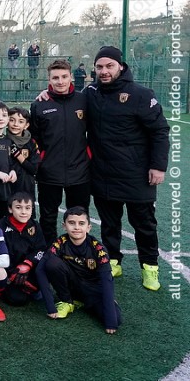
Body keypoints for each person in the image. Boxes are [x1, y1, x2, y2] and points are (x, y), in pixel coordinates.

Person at [85, 46, 169, 291]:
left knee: (144, 224)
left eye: (109, 66)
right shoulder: (90, 93)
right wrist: (45, 94)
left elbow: (160, 132)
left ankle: (149, 267)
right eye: (99, 67)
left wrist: (158, 166)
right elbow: (68, 102)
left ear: (121, 67)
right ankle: (113, 261)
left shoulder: (141, 94)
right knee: (109, 223)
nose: (104, 71)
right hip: (103, 172)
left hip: (136, 173)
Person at [30, 59, 91, 243]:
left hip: (80, 171)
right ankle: (50, 251)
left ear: (71, 77)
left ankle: (77, 251)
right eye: (55, 78)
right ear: (49, 80)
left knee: (78, 216)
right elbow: (34, 139)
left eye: (64, 76)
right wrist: (41, 162)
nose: (60, 81)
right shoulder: (39, 104)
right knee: (48, 217)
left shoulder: (83, 100)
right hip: (49, 171)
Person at [37, 207, 122, 334]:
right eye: (72, 223)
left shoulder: (98, 248)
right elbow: (40, 269)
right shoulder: (60, 242)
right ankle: (67, 301)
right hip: (72, 287)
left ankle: (87, 303)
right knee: (52, 263)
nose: (76, 227)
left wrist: (110, 321)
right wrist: (50, 307)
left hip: (93, 290)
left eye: (81, 223)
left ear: (88, 227)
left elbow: (107, 280)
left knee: (116, 319)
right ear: (64, 226)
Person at [0, 192, 46, 306]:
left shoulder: (35, 226)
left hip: (28, 268)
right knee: (18, 300)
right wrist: (12, 272)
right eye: (18, 207)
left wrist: (28, 264)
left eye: (27, 208)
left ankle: (30, 286)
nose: (23, 212)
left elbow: (41, 249)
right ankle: (11, 287)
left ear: (32, 209)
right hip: (9, 272)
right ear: (10, 209)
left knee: (49, 267)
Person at [7, 107, 40, 199]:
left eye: (21, 121)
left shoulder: (31, 143)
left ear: (26, 125)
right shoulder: (2, 140)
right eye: (12, 120)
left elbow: (34, 169)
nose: (15, 124)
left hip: (26, 186)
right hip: (7, 186)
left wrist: (18, 155)